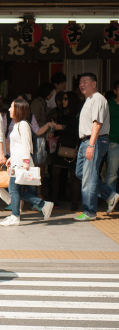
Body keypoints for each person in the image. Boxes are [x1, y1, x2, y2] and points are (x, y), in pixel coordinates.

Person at [0, 97, 54, 226]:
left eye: (11, 107)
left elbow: (26, 144)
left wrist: (25, 161)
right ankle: (43, 204)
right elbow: (17, 145)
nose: (9, 109)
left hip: (20, 163)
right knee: (16, 190)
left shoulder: (23, 124)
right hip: (16, 161)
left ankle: (15, 216)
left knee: (13, 189)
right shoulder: (18, 124)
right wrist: (11, 159)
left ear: (18, 109)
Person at [74, 73, 118, 220]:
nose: (81, 84)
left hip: (95, 141)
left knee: (89, 176)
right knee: (81, 173)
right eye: (80, 82)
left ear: (94, 84)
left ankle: (89, 212)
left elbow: (97, 124)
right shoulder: (88, 100)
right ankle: (110, 195)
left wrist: (91, 145)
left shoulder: (98, 99)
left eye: (85, 82)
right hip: (86, 141)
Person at [50, 91, 83, 211]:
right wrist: (54, 132)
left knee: (74, 176)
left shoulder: (79, 115)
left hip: (73, 147)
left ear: (72, 101)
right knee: (55, 172)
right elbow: (60, 128)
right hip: (61, 146)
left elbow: (78, 131)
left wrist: (62, 127)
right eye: (63, 99)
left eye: (65, 99)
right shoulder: (62, 113)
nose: (62, 101)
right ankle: (55, 199)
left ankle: (75, 201)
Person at [107, 80, 119, 192]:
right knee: (112, 173)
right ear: (115, 91)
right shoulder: (109, 104)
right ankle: (110, 200)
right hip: (113, 141)